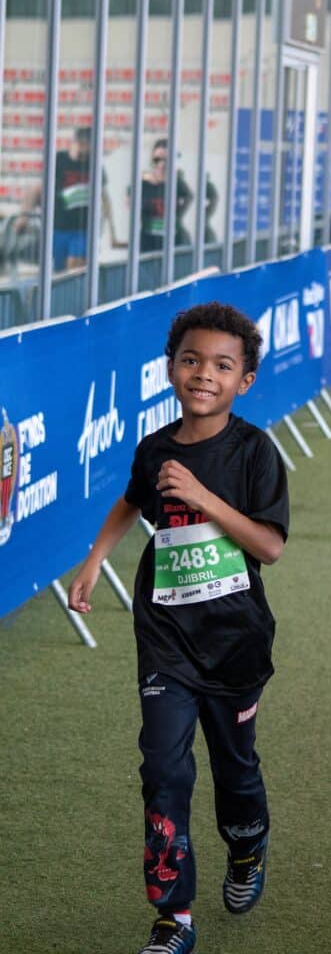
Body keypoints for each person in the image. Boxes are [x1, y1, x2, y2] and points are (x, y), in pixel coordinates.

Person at [68, 301, 289, 954]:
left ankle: (247, 846)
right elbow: (132, 500)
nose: (203, 374)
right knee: (164, 770)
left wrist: (203, 499)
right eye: (191, 360)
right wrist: (93, 561)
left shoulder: (255, 451)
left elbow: (269, 546)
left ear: (244, 380)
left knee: (234, 770)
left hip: (235, 643)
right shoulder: (155, 448)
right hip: (165, 640)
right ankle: (174, 917)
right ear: (171, 368)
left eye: (222, 365)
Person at [15, 126, 120, 270]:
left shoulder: (94, 164)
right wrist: (24, 216)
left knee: (74, 266)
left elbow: (105, 198)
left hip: (83, 229)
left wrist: (112, 233)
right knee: (60, 273)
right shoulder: (58, 160)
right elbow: (37, 189)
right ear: (81, 143)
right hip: (58, 228)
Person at [140, 138, 194, 253]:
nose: (161, 164)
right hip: (148, 243)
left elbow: (189, 196)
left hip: (174, 242)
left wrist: (178, 214)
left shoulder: (176, 182)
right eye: (157, 159)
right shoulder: (143, 183)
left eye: (166, 160)